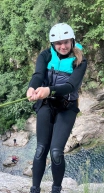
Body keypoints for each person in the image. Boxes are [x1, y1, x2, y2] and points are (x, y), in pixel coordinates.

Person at [26, 23, 87, 193]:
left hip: (67, 107)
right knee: (40, 150)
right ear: (52, 44)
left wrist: (49, 90)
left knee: (56, 153)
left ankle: (56, 190)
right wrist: (32, 88)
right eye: (58, 43)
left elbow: (70, 86)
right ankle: (35, 190)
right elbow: (38, 75)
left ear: (72, 41)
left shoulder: (80, 61)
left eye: (66, 42)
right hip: (46, 105)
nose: (63, 46)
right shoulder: (45, 55)